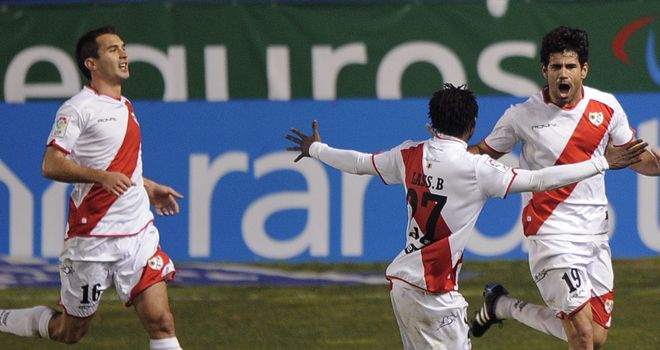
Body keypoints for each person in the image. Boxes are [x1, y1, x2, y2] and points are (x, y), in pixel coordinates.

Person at [285, 83, 646, 350]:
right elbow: (538, 179)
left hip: (401, 287)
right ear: (472, 126)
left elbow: (360, 163)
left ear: (431, 125)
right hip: (436, 293)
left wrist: (317, 148)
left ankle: (501, 307)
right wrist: (601, 162)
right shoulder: (478, 169)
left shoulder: (408, 154)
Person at [469, 26, 660, 350]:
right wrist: (442, 153)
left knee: (595, 336)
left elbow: (638, 159)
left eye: (570, 66)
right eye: (556, 66)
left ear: (583, 69)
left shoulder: (607, 107)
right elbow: (482, 154)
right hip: (550, 235)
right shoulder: (521, 115)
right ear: (545, 70)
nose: (563, 73)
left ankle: (501, 305)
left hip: (595, 237)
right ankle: (501, 305)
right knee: (583, 337)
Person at [0, 26, 184, 350]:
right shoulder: (77, 108)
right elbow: (51, 164)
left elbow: (121, 168)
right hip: (92, 240)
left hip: (137, 233)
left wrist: (148, 186)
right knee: (68, 332)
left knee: (162, 321)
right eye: (113, 49)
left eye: (123, 48)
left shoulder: (125, 106)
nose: (124, 54)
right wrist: (100, 178)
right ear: (92, 63)